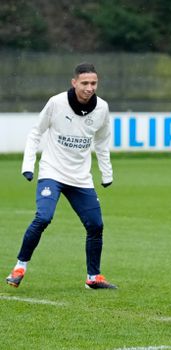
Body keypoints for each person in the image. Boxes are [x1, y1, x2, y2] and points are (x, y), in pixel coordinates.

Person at [6, 63, 117, 290]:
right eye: (84, 83)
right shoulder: (56, 103)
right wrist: (28, 166)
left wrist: (107, 174)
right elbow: (36, 133)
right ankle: (19, 267)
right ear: (74, 82)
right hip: (52, 172)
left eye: (93, 83)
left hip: (80, 178)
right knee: (44, 217)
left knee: (96, 225)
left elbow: (102, 142)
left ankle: (93, 277)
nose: (89, 88)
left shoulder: (102, 108)